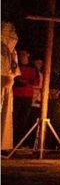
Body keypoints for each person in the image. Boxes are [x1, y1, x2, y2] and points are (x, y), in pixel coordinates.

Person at [12, 50, 40, 145]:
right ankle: (10, 141)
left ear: (28, 54)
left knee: (23, 120)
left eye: (24, 53)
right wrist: (24, 82)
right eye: (20, 54)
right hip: (16, 96)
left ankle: (19, 142)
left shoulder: (32, 67)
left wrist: (24, 81)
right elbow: (15, 79)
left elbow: (36, 81)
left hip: (27, 97)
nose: (22, 55)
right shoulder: (16, 65)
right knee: (14, 119)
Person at [1, 22, 20, 151]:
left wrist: (11, 76)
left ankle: (3, 143)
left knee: (5, 114)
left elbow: (14, 69)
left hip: (7, 85)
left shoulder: (12, 51)